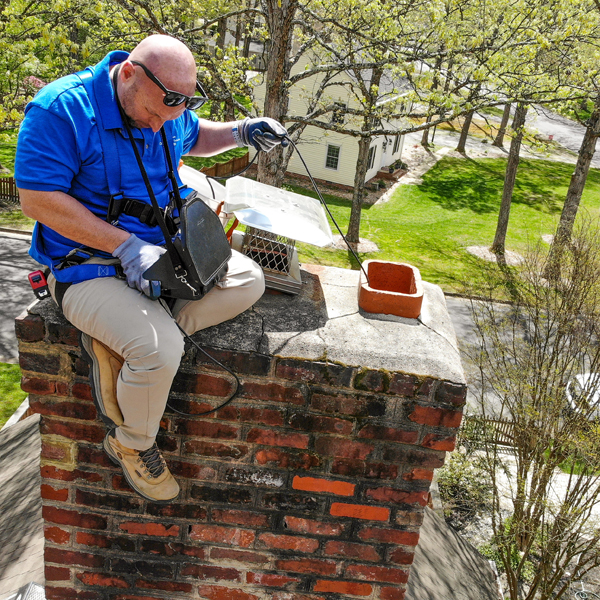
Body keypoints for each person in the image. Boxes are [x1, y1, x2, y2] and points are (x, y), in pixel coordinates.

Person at [15, 34, 288, 503]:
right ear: (128, 75)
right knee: (161, 352)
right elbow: (37, 200)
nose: (163, 122)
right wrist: (124, 247)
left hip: (163, 255)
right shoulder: (61, 110)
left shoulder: (164, 106)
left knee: (249, 280)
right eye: (157, 112)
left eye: (174, 111)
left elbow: (194, 134)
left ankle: (129, 345)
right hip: (89, 266)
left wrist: (242, 131)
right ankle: (131, 442)